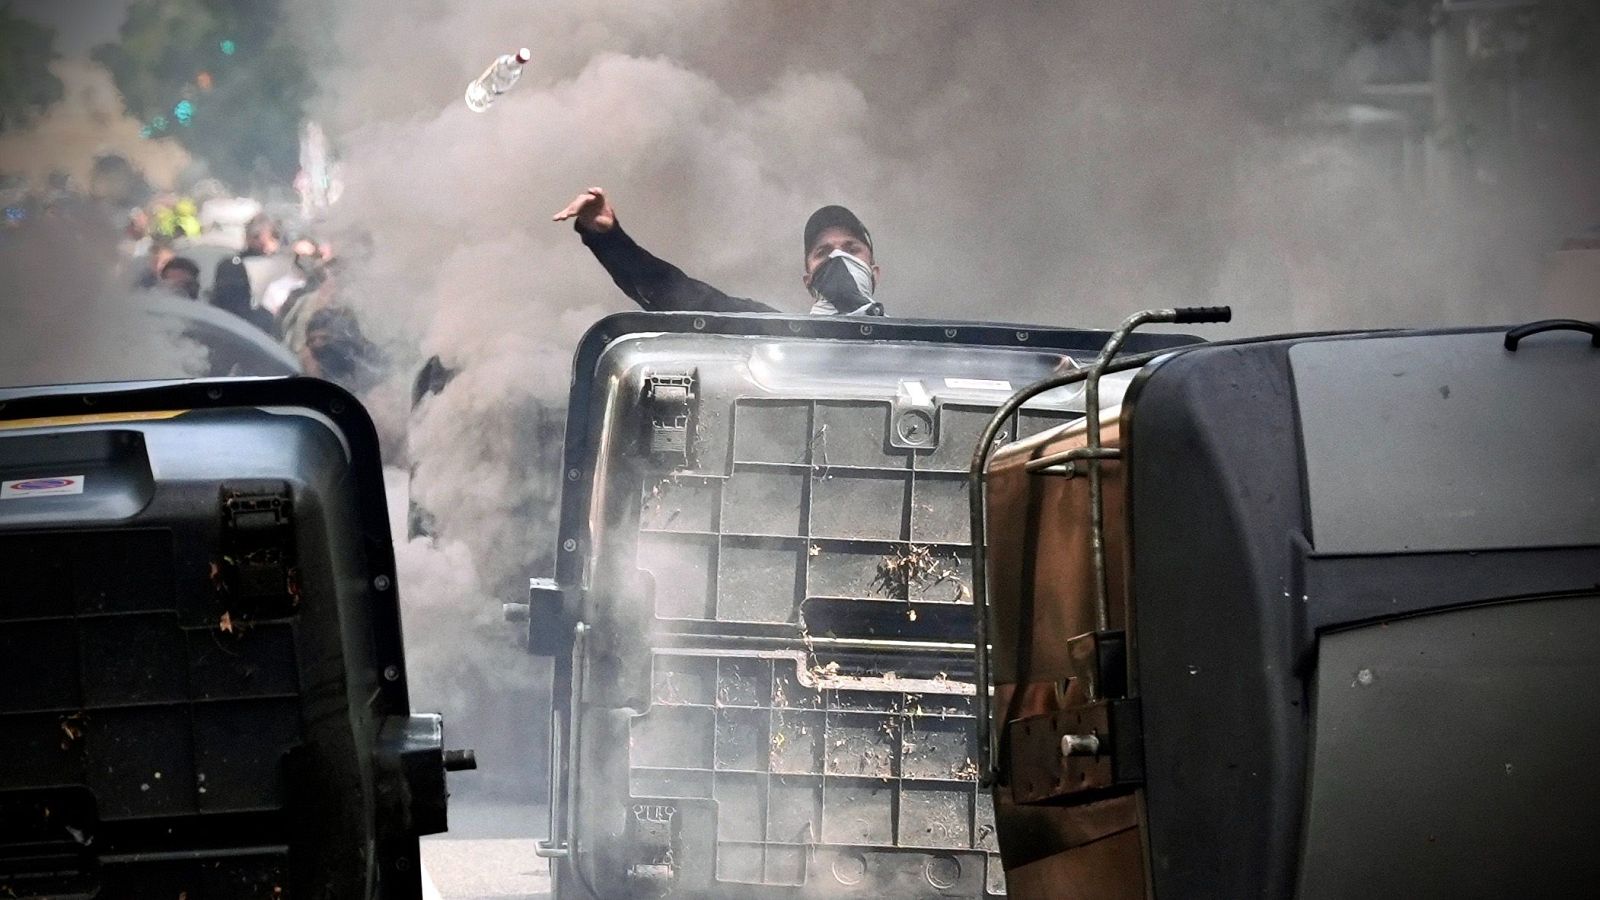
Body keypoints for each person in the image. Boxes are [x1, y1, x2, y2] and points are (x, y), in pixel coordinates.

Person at [552, 186, 884, 316]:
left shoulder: (913, 350)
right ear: (807, 279)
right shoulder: (776, 335)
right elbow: (679, 295)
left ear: (874, 271)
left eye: (851, 249)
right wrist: (608, 238)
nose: (838, 258)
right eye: (823, 252)